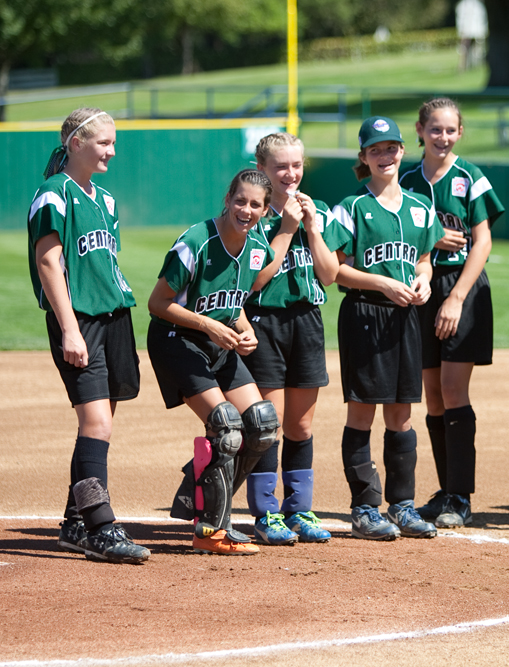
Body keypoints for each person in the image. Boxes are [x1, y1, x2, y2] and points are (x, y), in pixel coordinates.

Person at [29, 107, 149, 564]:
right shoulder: (53, 195)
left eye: (113, 142)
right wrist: (69, 330)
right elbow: (48, 263)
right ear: (76, 143)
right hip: (80, 321)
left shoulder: (105, 199)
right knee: (94, 423)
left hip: (114, 316)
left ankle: (75, 521)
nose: (111, 151)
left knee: (101, 427)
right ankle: (100, 528)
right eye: (103, 142)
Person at [151, 169, 281, 555]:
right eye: (240, 200)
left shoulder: (258, 248)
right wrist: (210, 325)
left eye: (255, 204)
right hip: (177, 339)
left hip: (217, 341)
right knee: (226, 426)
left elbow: (231, 301)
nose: (246, 209)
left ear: (265, 210)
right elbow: (158, 304)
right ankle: (210, 532)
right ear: (227, 198)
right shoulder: (196, 242)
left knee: (262, 424)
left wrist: (244, 330)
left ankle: (201, 492)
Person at [330, 116, 445, 540]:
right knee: (362, 411)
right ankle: (364, 507)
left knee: (401, 413)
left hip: (404, 318)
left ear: (402, 151)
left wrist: (424, 281)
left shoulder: (420, 206)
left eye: (392, 147)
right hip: (364, 313)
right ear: (363, 157)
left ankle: (401, 505)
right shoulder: (352, 207)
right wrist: (381, 282)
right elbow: (337, 269)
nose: (385, 155)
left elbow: (423, 258)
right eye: (375, 149)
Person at [399, 98, 505, 529]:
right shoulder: (405, 178)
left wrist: (457, 297)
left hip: (461, 288)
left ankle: (460, 495)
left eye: (450, 130)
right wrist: (429, 237)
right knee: (434, 394)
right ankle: (446, 490)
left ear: (460, 133)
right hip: (421, 289)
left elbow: (482, 242)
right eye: (435, 129)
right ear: (420, 130)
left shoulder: (469, 177)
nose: (442, 137)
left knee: (452, 388)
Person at [240, 132, 340, 545]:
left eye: (297, 165)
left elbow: (330, 275)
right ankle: (266, 514)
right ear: (262, 169)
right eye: (281, 166)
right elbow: (256, 279)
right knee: (270, 424)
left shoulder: (317, 212)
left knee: (301, 424)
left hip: (307, 322)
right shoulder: (250, 215)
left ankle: (298, 510)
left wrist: (312, 229)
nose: (291, 173)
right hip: (266, 323)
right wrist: (286, 228)